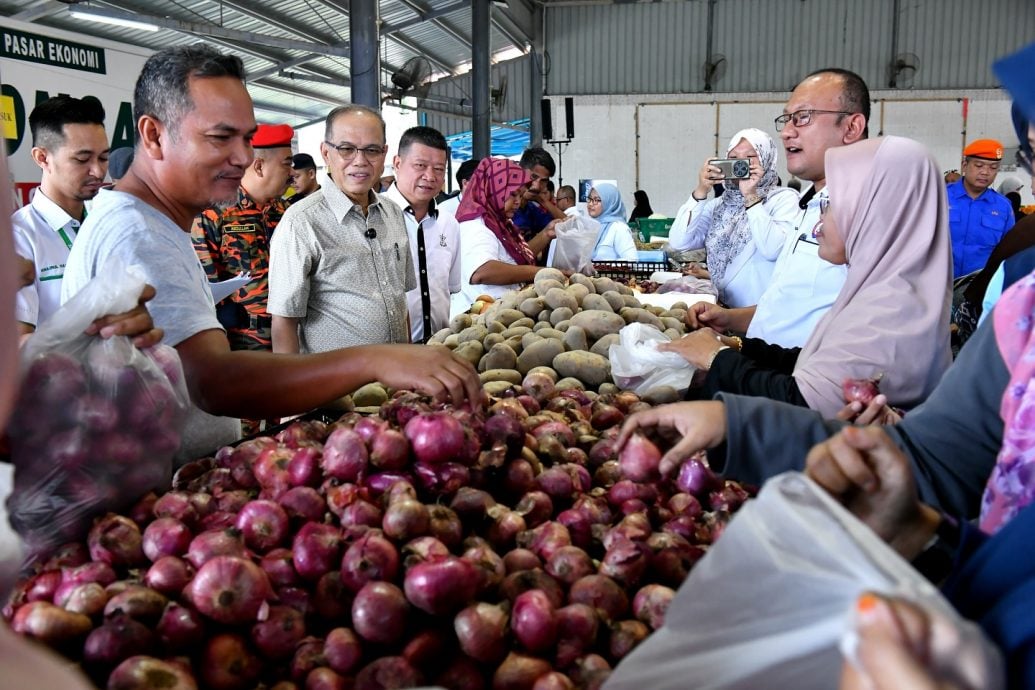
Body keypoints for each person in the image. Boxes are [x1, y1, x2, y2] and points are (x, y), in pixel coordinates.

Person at [62, 44, 481, 464]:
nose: (244, 158)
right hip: (161, 490)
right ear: (154, 135)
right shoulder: (138, 235)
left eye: (246, 138)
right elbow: (213, 382)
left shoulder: (155, 226)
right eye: (221, 137)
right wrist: (374, 359)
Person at [662, 136, 952, 416]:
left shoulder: (890, 313)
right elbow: (810, 360)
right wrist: (736, 344)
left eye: (832, 205)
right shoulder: (874, 290)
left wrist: (716, 360)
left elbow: (805, 404)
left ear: (877, 212)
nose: (818, 224)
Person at [686, 68, 869, 348]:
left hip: (807, 383)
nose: (786, 132)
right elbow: (787, 308)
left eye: (803, 117)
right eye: (786, 119)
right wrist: (729, 319)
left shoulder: (866, 210)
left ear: (851, 128)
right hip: (774, 368)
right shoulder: (810, 207)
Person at [269, 105, 414, 353]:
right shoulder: (301, 223)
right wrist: (293, 388)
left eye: (372, 150)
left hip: (396, 378)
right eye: (346, 149)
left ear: (384, 153)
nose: (360, 161)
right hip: (336, 386)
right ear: (326, 153)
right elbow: (284, 321)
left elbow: (400, 302)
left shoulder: (393, 213)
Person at [13, 95, 109, 341]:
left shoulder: (108, 223)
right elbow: (16, 343)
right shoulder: (19, 237)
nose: (98, 171)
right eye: (82, 159)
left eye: (103, 157)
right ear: (42, 158)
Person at [668, 128, 800, 307]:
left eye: (750, 157)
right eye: (734, 158)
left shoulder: (783, 199)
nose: (740, 164)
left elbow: (772, 249)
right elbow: (679, 241)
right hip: (721, 310)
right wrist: (701, 191)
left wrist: (751, 196)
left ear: (766, 159)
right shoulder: (718, 205)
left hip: (759, 314)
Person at [192, 123, 294, 353]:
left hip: (293, 339)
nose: (292, 172)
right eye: (287, 163)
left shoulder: (288, 212)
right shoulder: (214, 214)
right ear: (259, 166)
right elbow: (204, 293)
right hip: (243, 347)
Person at [382, 126, 462, 343]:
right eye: (420, 166)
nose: (430, 176)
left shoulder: (449, 224)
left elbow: (451, 288)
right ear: (397, 163)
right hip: (389, 352)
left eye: (438, 169)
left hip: (439, 346)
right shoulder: (374, 220)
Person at [456, 157, 555, 311]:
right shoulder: (475, 225)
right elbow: (481, 271)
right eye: (513, 194)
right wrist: (542, 272)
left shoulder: (501, 223)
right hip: (480, 315)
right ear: (494, 189)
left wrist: (546, 234)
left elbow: (513, 260)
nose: (517, 201)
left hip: (503, 311)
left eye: (520, 196)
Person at [948, 138, 1015, 278]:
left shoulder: (1003, 207)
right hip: (938, 283)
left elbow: (1008, 251)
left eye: (993, 168)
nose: (985, 172)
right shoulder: (940, 197)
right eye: (979, 165)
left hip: (979, 287)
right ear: (964, 165)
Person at [511, 147, 565, 243]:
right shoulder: (507, 208)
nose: (536, 186)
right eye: (533, 177)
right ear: (520, 171)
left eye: (543, 181)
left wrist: (542, 200)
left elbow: (567, 226)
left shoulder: (532, 210)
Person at [586, 183, 638, 261]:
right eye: (589, 199)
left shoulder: (619, 228)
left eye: (596, 200)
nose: (590, 204)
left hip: (610, 273)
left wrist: (603, 266)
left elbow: (632, 259)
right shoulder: (592, 226)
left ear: (610, 202)